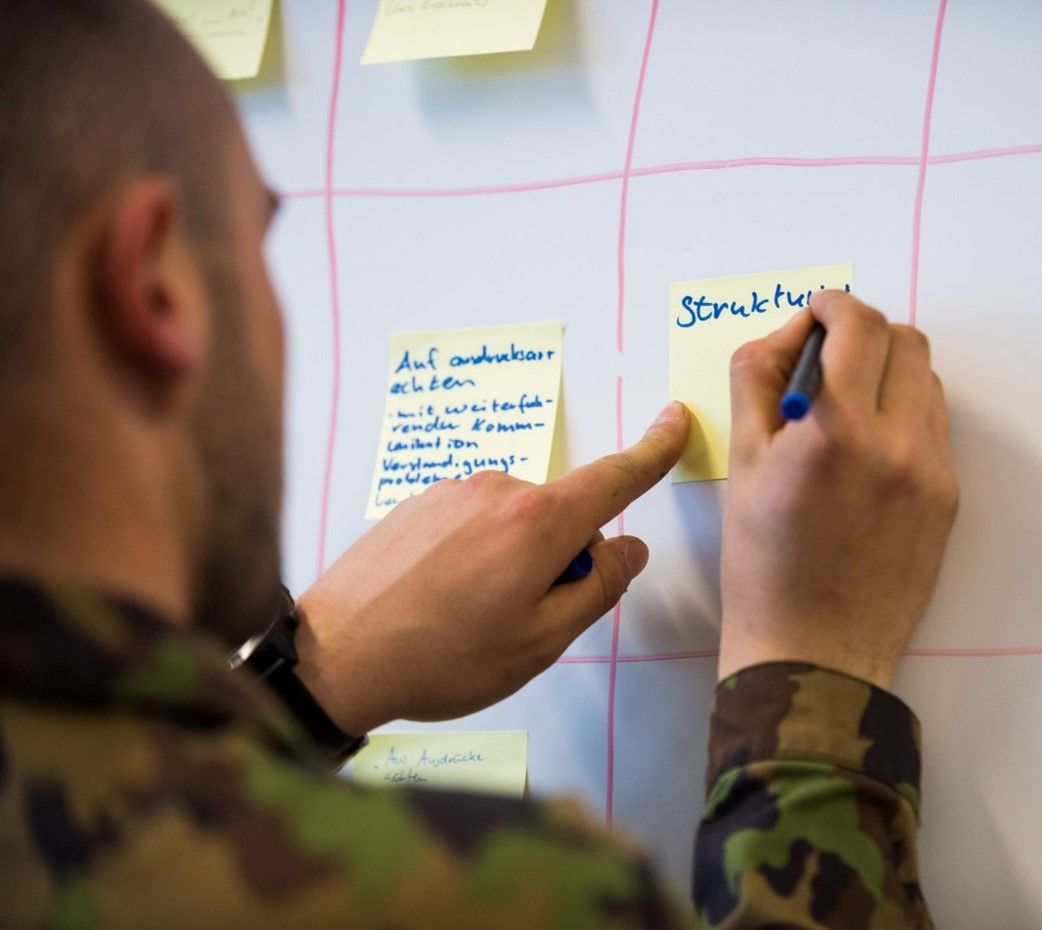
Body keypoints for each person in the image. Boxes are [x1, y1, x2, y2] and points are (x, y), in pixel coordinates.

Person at [0, 1, 959, 928]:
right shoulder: (504, 898)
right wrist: (809, 665)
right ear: (156, 287)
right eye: (260, 240)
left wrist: (311, 685)